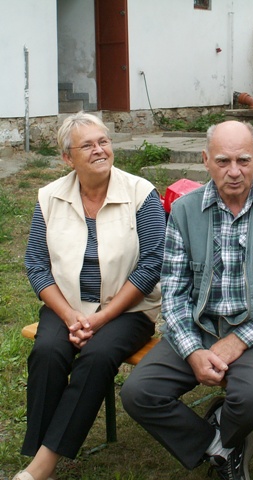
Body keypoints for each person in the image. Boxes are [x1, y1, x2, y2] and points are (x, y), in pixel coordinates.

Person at [121, 121, 253, 480]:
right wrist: (192, 350)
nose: (234, 171)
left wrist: (236, 342)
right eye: (223, 161)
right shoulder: (183, 210)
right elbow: (173, 292)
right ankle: (220, 446)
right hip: (198, 327)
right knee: (139, 393)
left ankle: (226, 429)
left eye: (243, 160)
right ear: (206, 160)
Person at [14, 112, 165, 480]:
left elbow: (152, 264)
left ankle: (41, 466)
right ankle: (41, 459)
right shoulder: (49, 197)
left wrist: (99, 319)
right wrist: (71, 316)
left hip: (129, 309)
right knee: (48, 352)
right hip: (68, 305)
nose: (100, 150)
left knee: (96, 356)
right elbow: (36, 265)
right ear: (68, 158)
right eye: (88, 146)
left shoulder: (140, 193)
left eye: (103, 142)